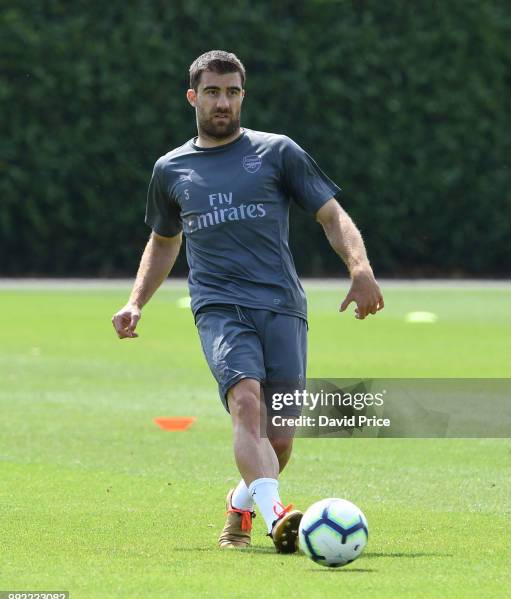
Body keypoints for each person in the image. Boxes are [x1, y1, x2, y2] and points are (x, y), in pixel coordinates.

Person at [112, 50, 384, 554]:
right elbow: (165, 241)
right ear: (193, 96)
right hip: (219, 307)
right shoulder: (170, 169)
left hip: (282, 305)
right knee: (246, 403)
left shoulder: (277, 152)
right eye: (213, 92)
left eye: (232, 92)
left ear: (243, 96)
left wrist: (360, 267)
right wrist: (136, 302)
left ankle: (241, 504)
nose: (223, 102)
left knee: (278, 440)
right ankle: (280, 516)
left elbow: (330, 214)